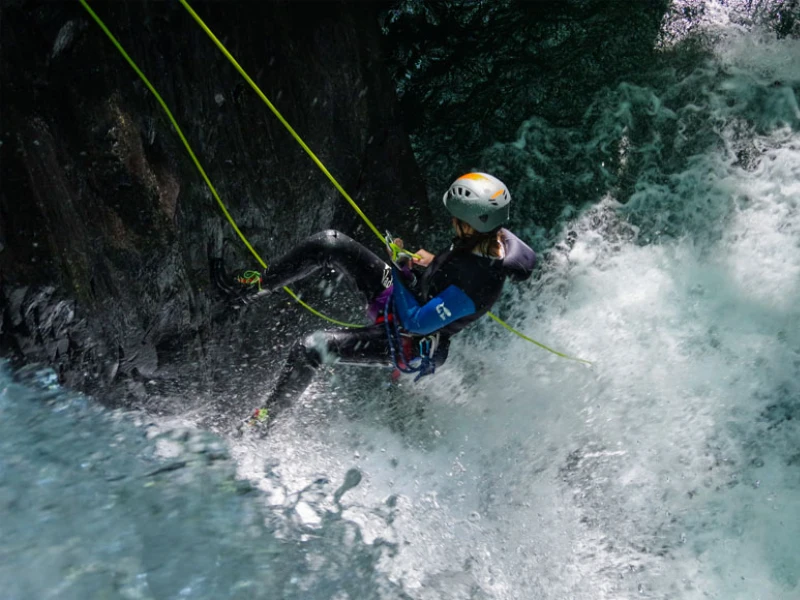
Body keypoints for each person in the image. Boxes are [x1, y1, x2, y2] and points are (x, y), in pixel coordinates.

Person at [210, 172, 536, 420]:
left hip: (411, 338)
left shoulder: (478, 283)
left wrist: (398, 270)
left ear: (471, 225)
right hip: (411, 297)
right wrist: (423, 263)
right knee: (330, 243)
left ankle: (262, 424)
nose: (452, 222)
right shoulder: (491, 236)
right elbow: (451, 268)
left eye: (457, 219)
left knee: (310, 349)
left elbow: (417, 322)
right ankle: (248, 290)